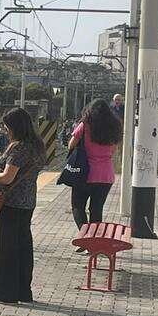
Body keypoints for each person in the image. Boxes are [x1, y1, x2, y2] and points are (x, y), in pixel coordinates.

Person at [0, 107, 45, 304]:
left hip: (11, 202)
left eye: (7, 127)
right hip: (28, 201)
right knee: (23, 246)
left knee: (7, 248)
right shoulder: (36, 146)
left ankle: (5, 293)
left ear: (15, 127)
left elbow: (7, 178)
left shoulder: (19, 148)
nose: (6, 130)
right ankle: (24, 292)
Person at [68, 99, 122, 235]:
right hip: (106, 175)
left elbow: (71, 145)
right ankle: (94, 242)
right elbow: (113, 150)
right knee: (96, 209)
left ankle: (86, 237)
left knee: (78, 206)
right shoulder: (115, 127)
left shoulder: (85, 125)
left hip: (84, 174)